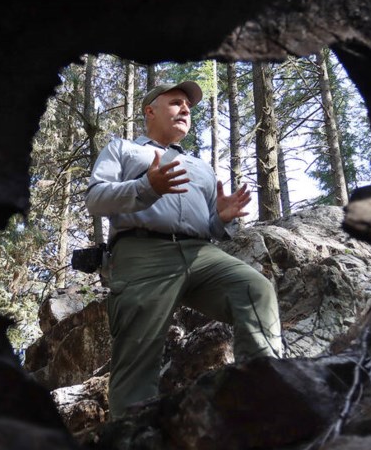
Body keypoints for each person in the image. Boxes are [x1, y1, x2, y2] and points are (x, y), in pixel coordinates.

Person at [86, 80, 283, 418]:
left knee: (255, 289)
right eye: (176, 103)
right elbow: (95, 198)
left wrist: (221, 217)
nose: (186, 109)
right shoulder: (123, 149)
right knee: (137, 355)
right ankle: (131, 446)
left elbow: (209, 227)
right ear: (150, 111)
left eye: (188, 107)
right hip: (141, 254)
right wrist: (146, 187)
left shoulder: (202, 168)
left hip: (200, 253)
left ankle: (262, 397)